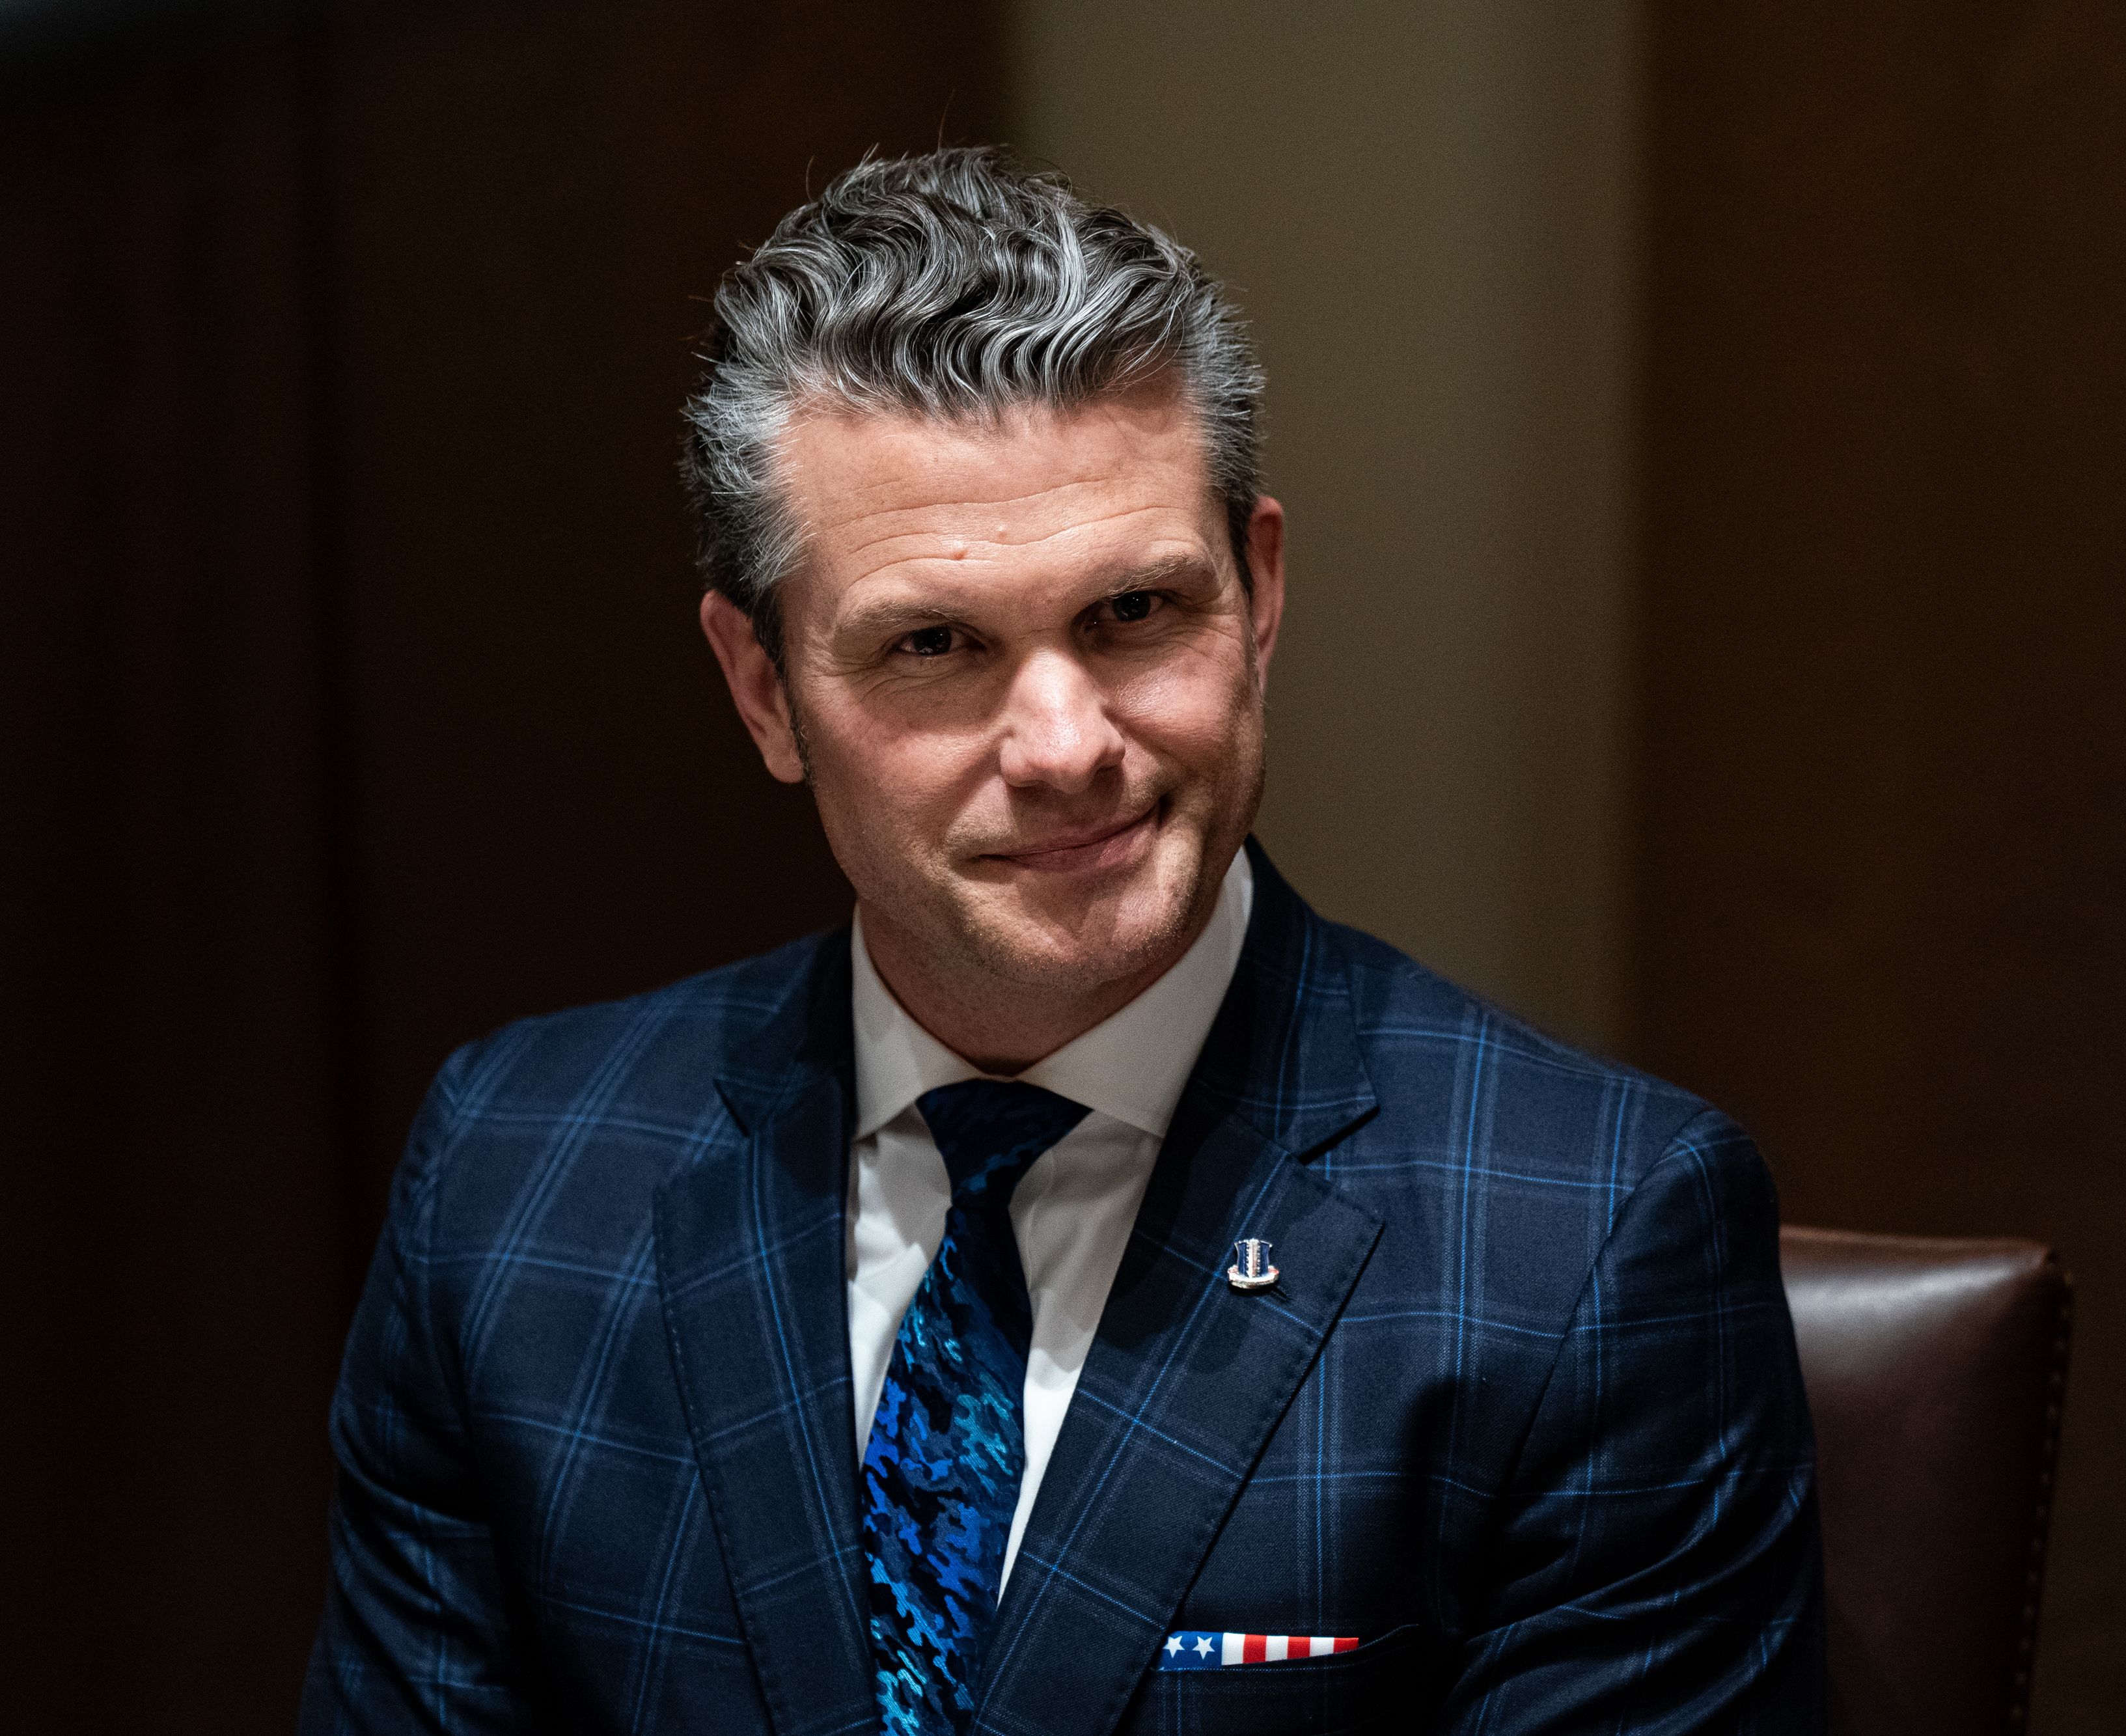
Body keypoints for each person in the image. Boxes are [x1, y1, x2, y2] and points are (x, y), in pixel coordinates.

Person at [301, 146, 1823, 1735]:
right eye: (936, 645)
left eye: (1134, 614)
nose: (1064, 742)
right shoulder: (514, 1175)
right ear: (761, 690)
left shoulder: (1587, 1238)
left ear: (1260, 592)